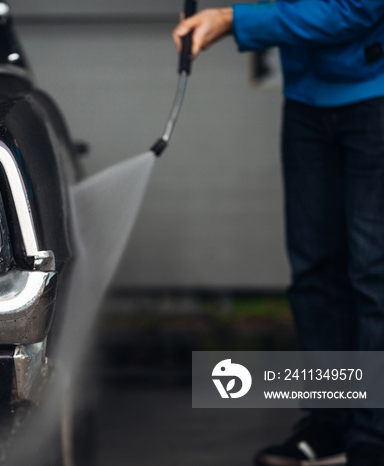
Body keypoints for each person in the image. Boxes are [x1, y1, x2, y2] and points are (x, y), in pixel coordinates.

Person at [173, 2, 384, 466]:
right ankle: (331, 425)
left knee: (373, 274)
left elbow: (355, 9)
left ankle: (373, 436)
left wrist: (232, 21)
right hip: (307, 100)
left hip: (373, 98)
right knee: (315, 273)